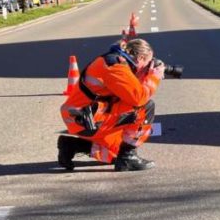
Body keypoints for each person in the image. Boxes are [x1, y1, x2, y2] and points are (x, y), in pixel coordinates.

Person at [58, 38, 164, 171]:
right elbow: (138, 99)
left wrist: (142, 74)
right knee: (145, 107)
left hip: (83, 117)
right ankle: (128, 158)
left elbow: (125, 93)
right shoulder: (116, 67)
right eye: (148, 63)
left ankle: (72, 145)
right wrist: (153, 76)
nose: (148, 67)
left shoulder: (113, 61)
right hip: (87, 120)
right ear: (141, 58)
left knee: (114, 153)